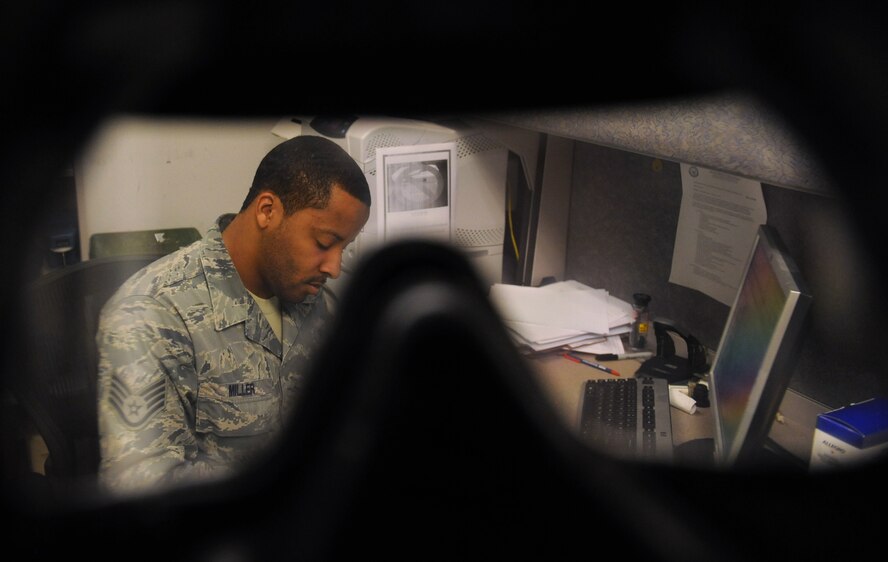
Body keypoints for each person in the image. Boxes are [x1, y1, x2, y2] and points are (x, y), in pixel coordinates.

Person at [96, 135, 371, 496]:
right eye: (323, 243)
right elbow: (143, 489)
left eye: (344, 248)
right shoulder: (151, 314)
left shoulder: (329, 297)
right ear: (267, 211)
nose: (334, 266)